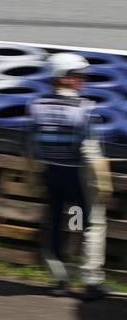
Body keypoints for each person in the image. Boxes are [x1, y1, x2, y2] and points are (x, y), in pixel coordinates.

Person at [27, 53, 111, 300]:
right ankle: (91, 281)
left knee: (55, 223)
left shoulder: (36, 106)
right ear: (63, 78)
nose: (82, 80)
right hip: (79, 174)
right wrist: (103, 181)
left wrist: (31, 174)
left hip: (51, 172)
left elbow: (30, 145)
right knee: (92, 225)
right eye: (78, 76)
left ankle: (59, 279)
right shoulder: (84, 109)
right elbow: (91, 149)